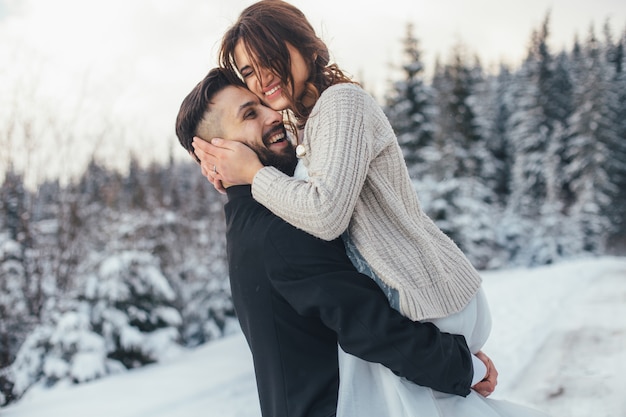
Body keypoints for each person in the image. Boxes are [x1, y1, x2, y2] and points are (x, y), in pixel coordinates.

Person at [191, 1, 550, 416]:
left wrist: (253, 174)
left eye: (270, 55)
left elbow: (325, 214)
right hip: (410, 303)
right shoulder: (308, 123)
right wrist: (225, 166)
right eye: (249, 70)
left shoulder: (341, 103)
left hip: (425, 295)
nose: (263, 76)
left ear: (306, 45)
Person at [175, 67, 494, 417]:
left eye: (262, 104)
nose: (272, 115)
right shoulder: (277, 230)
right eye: (250, 114)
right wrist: (466, 368)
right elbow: (374, 329)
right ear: (217, 153)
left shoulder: (257, 216)